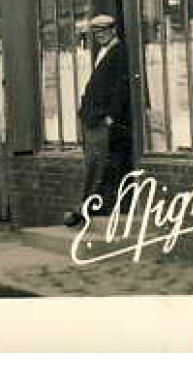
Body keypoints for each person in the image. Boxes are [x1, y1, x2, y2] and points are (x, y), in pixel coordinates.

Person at [65, 13, 133, 227]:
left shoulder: (119, 52)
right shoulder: (103, 52)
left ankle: (86, 209)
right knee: (95, 165)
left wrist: (111, 116)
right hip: (92, 118)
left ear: (113, 30)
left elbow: (122, 87)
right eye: (96, 33)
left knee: (98, 166)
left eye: (104, 31)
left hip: (103, 119)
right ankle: (92, 208)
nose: (100, 36)